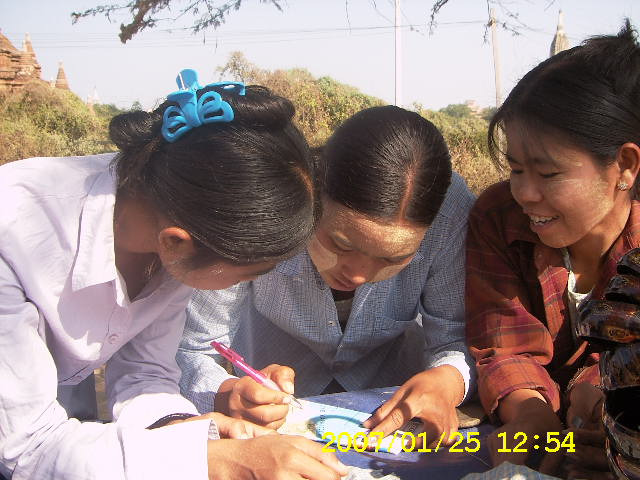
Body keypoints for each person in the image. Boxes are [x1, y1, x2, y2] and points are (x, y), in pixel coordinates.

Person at [0, 69, 347, 480]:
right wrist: (215, 464)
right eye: (246, 273)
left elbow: (145, 372)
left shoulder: (171, 221)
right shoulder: (14, 232)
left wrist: (185, 430)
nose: (243, 286)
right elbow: (27, 447)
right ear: (176, 243)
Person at [178, 105, 476, 445]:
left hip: (393, 421)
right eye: (340, 243)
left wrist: (448, 380)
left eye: (394, 258)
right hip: (276, 426)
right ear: (313, 194)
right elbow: (193, 349)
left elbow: (455, 338)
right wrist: (225, 392)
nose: (359, 275)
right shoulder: (259, 205)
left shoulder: (451, 213)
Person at [465, 21, 640, 477]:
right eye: (516, 169)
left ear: (624, 165)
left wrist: (604, 410)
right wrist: (529, 414)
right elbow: (503, 344)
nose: (525, 193)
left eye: (547, 174)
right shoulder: (498, 217)